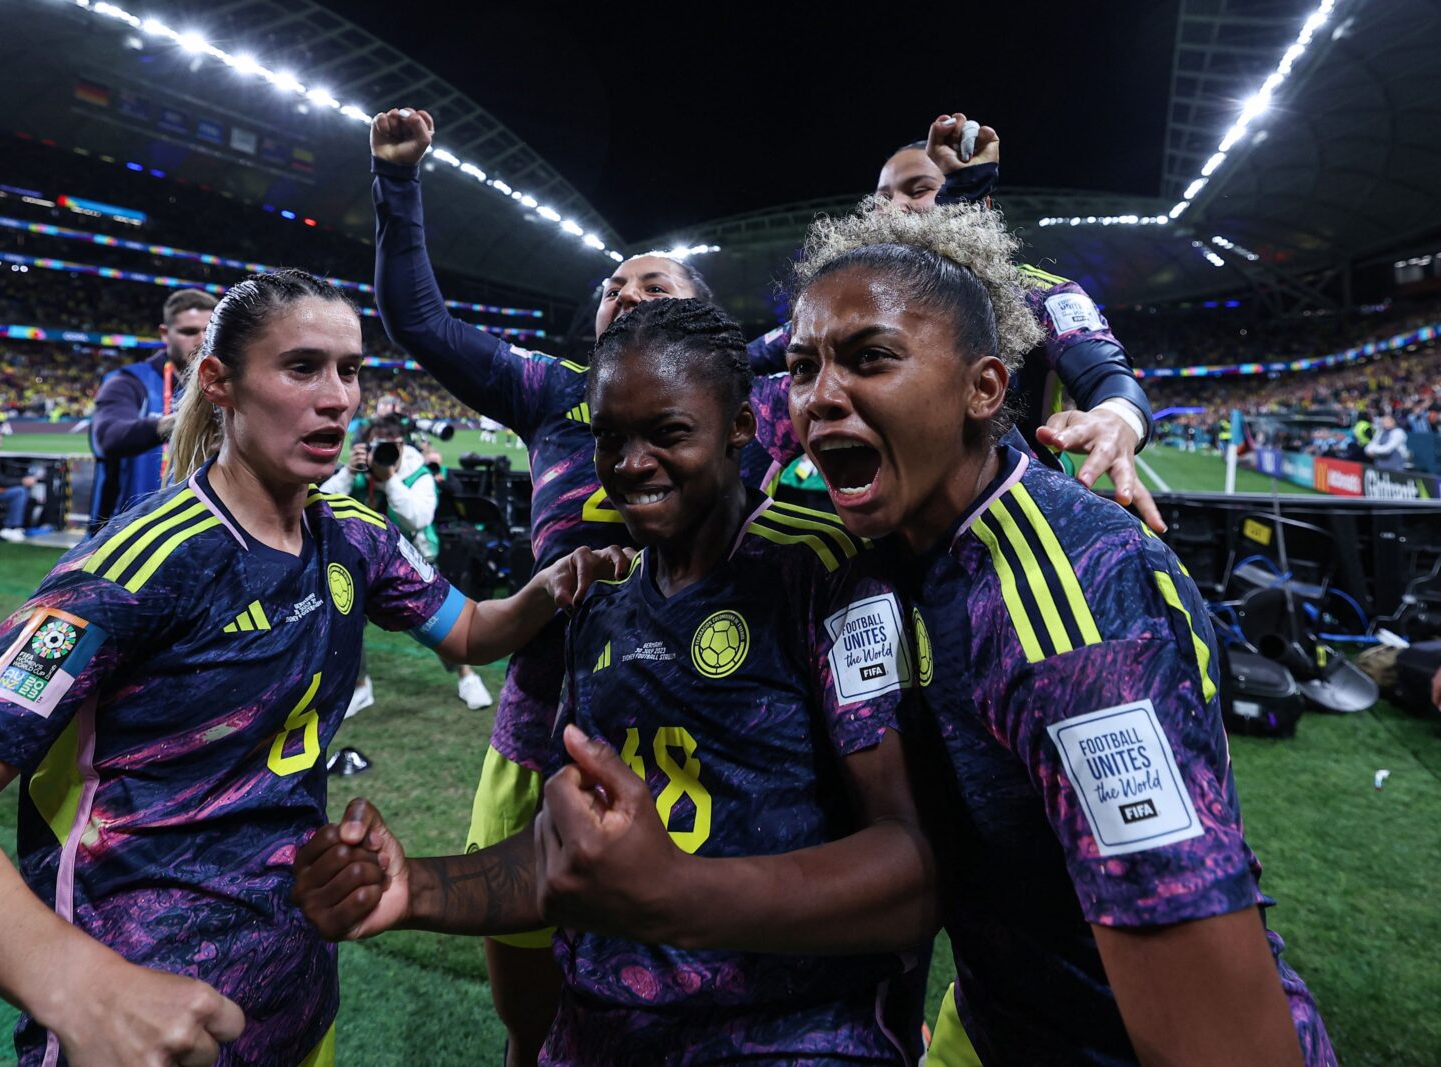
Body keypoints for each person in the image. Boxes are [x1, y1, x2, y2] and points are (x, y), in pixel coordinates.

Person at [0, 269, 629, 1067]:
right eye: (302, 367)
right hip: (147, 1022)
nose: (338, 398)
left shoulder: (354, 535)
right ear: (219, 382)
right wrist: (78, 982)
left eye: (351, 369)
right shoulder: (136, 566)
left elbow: (468, 632)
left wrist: (545, 589)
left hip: (298, 999)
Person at [293, 298, 937, 1064]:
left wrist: (679, 893)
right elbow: (565, 859)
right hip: (599, 1037)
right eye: (609, 437)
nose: (631, 464)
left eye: (667, 432)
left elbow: (914, 870)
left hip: (786, 1039)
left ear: (741, 427)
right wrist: (414, 888)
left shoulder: (826, 572)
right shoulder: (601, 601)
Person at [782, 203, 1335, 1065]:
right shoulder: (880, 554)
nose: (819, 397)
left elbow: (1221, 1043)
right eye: (801, 365)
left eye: (869, 358)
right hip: (998, 1011)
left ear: (986, 388)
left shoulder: (1074, 610)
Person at [369, 106, 810, 1062]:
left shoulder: (763, 392)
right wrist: (399, 185)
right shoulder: (553, 392)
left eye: (651, 283)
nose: (624, 293)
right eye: (612, 287)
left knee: (692, 975)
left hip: (710, 717)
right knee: (530, 1008)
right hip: (542, 719)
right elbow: (421, 322)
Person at [751, 112, 1162, 531]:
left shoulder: (1036, 293)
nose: (895, 208)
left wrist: (1117, 418)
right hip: (888, 532)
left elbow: (1106, 374)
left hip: (1016, 530)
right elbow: (741, 361)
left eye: (920, 189)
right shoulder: (844, 314)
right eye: (881, 198)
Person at [322, 413, 495, 712]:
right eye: (379, 445)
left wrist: (390, 480)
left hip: (412, 560)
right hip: (362, 560)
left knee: (434, 622)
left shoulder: (418, 473)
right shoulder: (359, 471)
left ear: (404, 445)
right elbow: (322, 504)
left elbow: (417, 518)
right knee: (346, 622)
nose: (388, 452)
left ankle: (466, 675)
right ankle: (361, 686)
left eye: (394, 446)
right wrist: (349, 473)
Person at [88, 288, 217, 531]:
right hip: (122, 537)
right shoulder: (129, 382)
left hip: (194, 533)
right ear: (165, 334)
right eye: (189, 331)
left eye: (208, 331)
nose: (201, 340)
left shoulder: (224, 387)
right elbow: (107, 437)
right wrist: (190, 421)